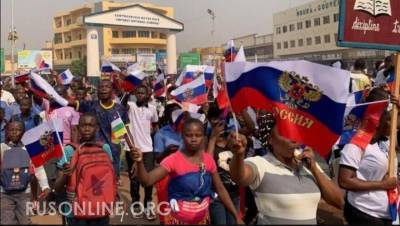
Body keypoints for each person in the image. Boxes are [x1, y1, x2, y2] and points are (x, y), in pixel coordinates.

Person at [229, 111, 344, 224]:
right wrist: (238, 155)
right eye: (285, 133)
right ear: (270, 139)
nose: (294, 140)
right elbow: (239, 177)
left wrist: (314, 168)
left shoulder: (308, 164)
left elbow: (340, 202)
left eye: (295, 133)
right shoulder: (260, 164)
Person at [131, 118, 243, 224]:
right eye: (189, 135)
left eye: (198, 135)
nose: (193, 139)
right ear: (182, 136)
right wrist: (140, 162)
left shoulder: (208, 160)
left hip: (202, 220)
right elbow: (147, 181)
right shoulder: (172, 160)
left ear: (203, 137)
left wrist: (236, 216)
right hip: (177, 220)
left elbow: (221, 190)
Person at [338, 87, 398, 225]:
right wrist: (383, 185)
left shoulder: (388, 139)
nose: (394, 124)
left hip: (388, 213)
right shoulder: (355, 144)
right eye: (390, 119)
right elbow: (345, 181)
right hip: (365, 214)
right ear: (378, 120)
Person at [55, 112, 115, 225]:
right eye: (83, 125)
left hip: (101, 208)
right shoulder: (69, 150)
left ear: (97, 128)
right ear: (77, 128)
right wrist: (65, 174)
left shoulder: (105, 148)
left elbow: (111, 179)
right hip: (75, 211)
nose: (87, 129)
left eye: (91, 125)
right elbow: (57, 188)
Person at [68, 79, 134, 179]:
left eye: (106, 87)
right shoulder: (90, 106)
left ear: (112, 90)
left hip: (113, 153)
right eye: (101, 87)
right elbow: (70, 103)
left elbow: (126, 131)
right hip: (93, 153)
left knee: (111, 182)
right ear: (97, 90)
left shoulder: (120, 109)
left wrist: (133, 147)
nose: (103, 89)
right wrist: (52, 95)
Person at [0, 120, 50, 225]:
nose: (14, 132)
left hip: (25, 193)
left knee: (25, 220)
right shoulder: (2, 148)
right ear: (7, 131)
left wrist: (45, 186)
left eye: (18, 130)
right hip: (4, 193)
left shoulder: (30, 149)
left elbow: (39, 169)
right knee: (6, 221)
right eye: (11, 130)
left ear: (23, 132)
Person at [123, 85, 159, 220]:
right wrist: (127, 92)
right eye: (138, 92)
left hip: (148, 149)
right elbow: (121, 105)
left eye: (143, 93)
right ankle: (136, 203)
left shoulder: (153, 109)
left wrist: (153, 136)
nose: (140, 95)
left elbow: (155, 124)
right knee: (134, 179)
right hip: (131, 148)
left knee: (148, 179)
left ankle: (148, 204)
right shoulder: (131, 106)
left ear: (148, 94)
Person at [206, 106, 241, 225]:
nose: (218, 122)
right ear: (209, 120)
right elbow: (208, 165)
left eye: (220, 118)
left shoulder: (232, 138)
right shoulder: (206, 140)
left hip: (234, 194)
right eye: (214, 118)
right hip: (216, 195)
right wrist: (213, 139)